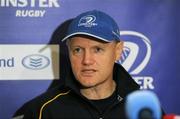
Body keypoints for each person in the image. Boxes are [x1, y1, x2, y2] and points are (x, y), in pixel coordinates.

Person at [13, 10, 140, 119]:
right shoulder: (42, 110)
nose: (87, 61)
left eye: (97, 49)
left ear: (118, 51)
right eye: (77, 50)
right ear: (68, 51)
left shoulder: (145, 108)